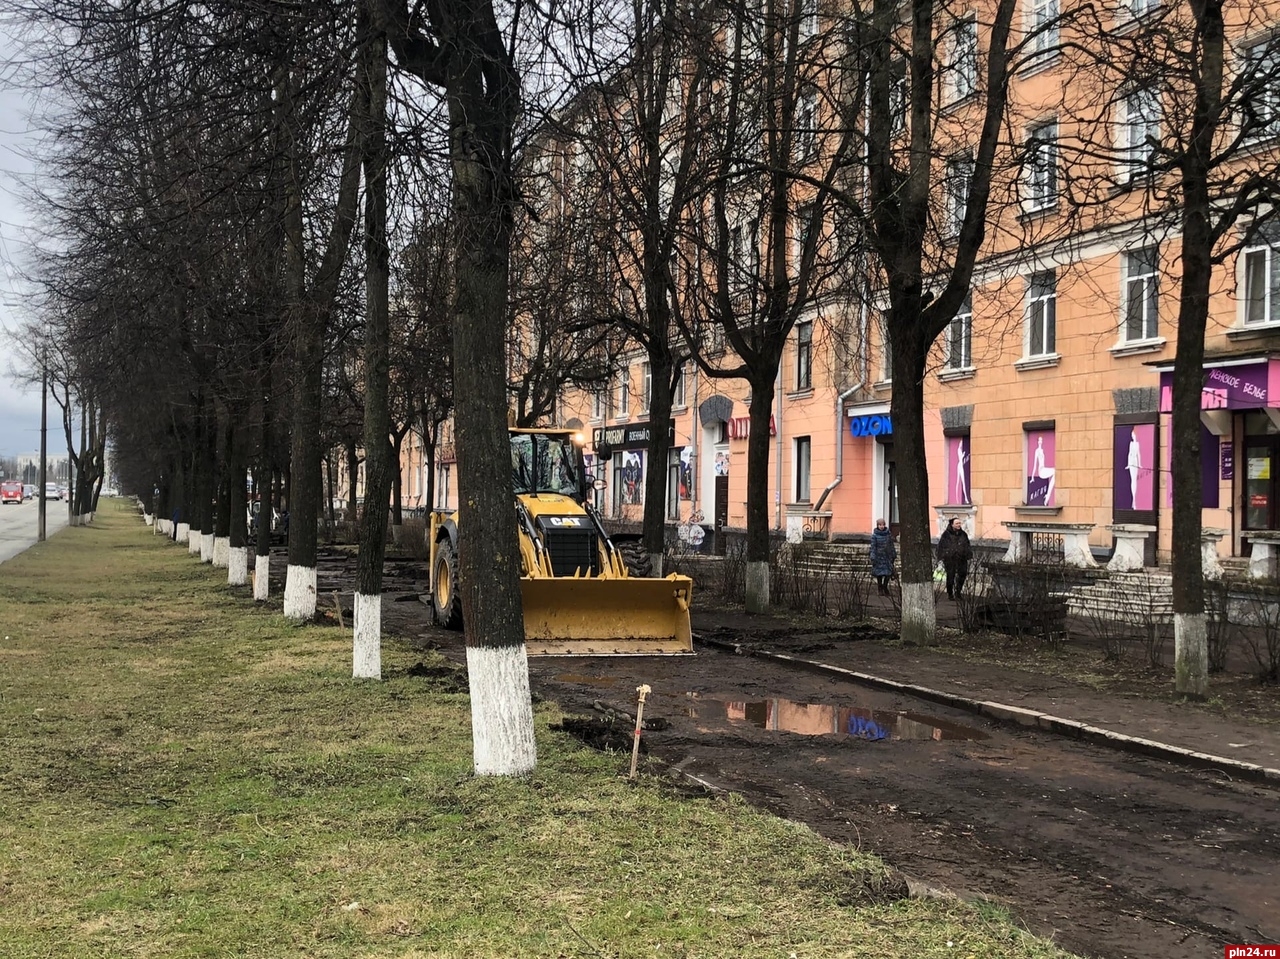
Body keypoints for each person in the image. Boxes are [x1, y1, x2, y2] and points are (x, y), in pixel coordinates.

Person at [937, 517, 973, 601]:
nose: (959, 525)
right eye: (957, 523)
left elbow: (967, 545)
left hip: (962, 558)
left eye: (959, 523)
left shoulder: (963, 534)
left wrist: (968, 554)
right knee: (951, 576)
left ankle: (958, 593)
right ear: (952, 524)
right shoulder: (946, 535)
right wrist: (943, 556)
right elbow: (941, 546)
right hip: (950, 559)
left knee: (962, 575)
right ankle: (950, 594)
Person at [869, 518, 896, 596]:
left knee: (888, 574)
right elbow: (873, 547)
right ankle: (880, 588)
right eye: (880, 525)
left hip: (887, 557)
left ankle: (885, 586)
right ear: (877, 525)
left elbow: (891, 545)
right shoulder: (875, 536)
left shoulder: (888, 534)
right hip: (878, 557)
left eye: (883, 525)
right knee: (879, 574)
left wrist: (893, 554)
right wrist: (873, 556)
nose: (882, 526)